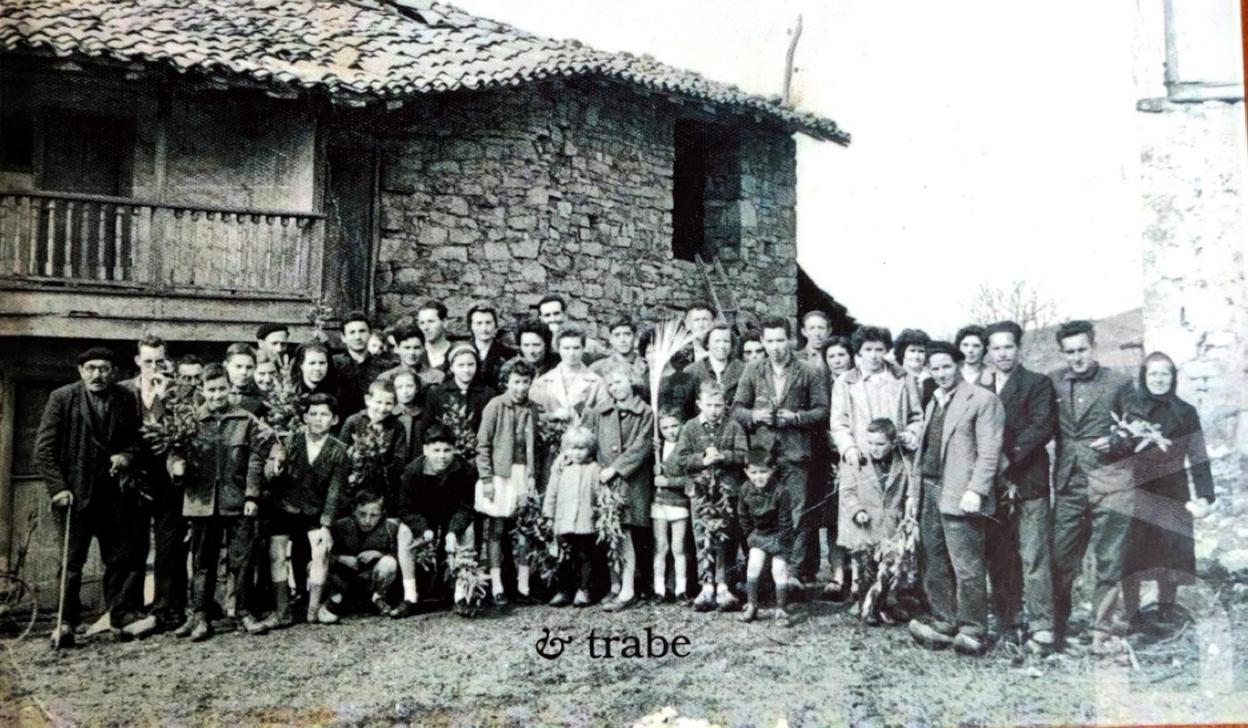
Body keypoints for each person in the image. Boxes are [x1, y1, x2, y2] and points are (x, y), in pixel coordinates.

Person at [37, 347, 146, 645]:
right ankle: (65, 623)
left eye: (104, 368)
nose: (97, 374)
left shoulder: (125, 398)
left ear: (113, 372)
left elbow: (137, 439)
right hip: (74, 496)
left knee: (119, 559)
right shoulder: (62, 398)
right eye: (91, 368)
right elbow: (44, 450)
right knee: (72, 563)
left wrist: (126, 455)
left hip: (113, 497)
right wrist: (58, 488)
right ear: (80, 371)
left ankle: (117, 617)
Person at [1047, 320, 1136, 653]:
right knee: (1060, 557)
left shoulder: (1119, 382)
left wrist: (1116, 440)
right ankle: (1057, 628)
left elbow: (1138, 428)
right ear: (1062, 353)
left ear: (1093, 347)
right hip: (1069, 482)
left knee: (1109, 560)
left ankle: (1102, 631)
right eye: (1070, 352)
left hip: (1111, 482)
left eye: (1082, 349)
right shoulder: (1053, 382)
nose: (1077, 357)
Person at [1121, 352, 1216, 632]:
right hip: (1137, 489)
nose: (1159, 379)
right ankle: (1133, 616)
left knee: (1170, 551)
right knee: (1132, 553)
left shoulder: (1185, 412)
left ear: (1173, 378)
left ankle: (1166, 612)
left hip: (1173, 489)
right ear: (1144, 377)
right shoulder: (1131, 410)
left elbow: (1198, 456)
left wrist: (1205, 495)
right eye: (1153, 374)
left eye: (1165, 373)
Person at [732, 317, 829, 592]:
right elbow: (737, 408)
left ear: (791, 340)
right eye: (770, 341)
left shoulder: (809, 371)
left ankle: (791, 574)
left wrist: (797, 418)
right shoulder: (753, 371)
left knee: (796, 511)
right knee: (763, 511)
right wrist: (754, 415)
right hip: (763, 456)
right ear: (763, 342)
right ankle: (764, 575)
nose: (776, 347)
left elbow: (823, 411)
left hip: (796, 453)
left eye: (780, 340)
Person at [173, 363, 268, 641]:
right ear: (202, 390)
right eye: (211, 389)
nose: (217, 395)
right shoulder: (190, 421)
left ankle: (244, 612)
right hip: (201, 502)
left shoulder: (245, 420)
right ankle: (200, 616)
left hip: (236, 500)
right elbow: (175, 452)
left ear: (230, 388)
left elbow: (255, 459)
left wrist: (251, 495)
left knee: (242, 559)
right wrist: (176, 467)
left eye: (222, 389)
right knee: (203, 561)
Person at [980, 320, 1058, 652]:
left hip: (1028, 481)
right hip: (992, 485)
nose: (1003, 354)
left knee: (1034, 554)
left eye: (1008, 347)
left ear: (1018, 348)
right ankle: (1007, 621)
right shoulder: (982, 387)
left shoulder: (1037, 384)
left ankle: (1042, 625)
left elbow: (1042, 427)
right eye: (996, 348)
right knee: (1000, 555)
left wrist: (1008, 458)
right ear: (988, 352)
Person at [262, 393, 349, 629]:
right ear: (304, 417)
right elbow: (269, 475)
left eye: (324, 414)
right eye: (313, 414)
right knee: (277, 553)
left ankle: (313, 610)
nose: (318, 419)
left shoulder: (338, 450)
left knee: (321, 549)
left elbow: (335, 491)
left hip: (314, 512)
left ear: (334, 419)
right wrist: (278, 465)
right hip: (284, 508)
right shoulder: (289, 441)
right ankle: (282, 612)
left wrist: (326, 525)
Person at [674, 378, 749, 611]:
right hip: (700, 492)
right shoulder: (690, 427)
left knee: (726, 537)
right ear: (699, 404)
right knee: (702, 537)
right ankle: (706, 585)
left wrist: (725, 456)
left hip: (727, 491)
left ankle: (724, 585)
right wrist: (703, 460)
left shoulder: (733, 426)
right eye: (709, 405)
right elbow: (681, 459)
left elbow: (744, 454)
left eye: (718, 405)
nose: (714, 410)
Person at [583, 368, 655, 611]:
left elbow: (641, 446)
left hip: (630, 481)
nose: (615, 388)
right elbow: (588, 439)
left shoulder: (645, 412)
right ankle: (614, 585)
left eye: (619, 381)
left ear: (631, 381)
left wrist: (615, 468)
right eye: (610, 384)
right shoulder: (601, 411)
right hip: (604, 480)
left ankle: (628, 588)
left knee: (625, 534)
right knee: (609, 532)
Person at [122, 336, 178, 634]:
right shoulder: (123, 391)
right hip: (133, 480)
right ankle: (130, 609)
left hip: (168, 480)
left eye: (159, 361)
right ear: (137, 361)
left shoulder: (176, 392)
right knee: (134, 545)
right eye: (148, 361)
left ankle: (163, 608)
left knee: (168, 549)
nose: (154, 367)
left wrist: (165, 398)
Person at [474, 359, 541, 607]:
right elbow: (482, 444)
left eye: (525, 382)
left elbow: (536, 447)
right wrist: (487, 479)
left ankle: (523, 587)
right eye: (516, 382)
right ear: (506, 382)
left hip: (523, 473)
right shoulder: (495, 405)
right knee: (496, 529)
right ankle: (497, 587)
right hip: (499, 474)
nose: (521, 387)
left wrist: (533, 476)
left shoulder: (533, 408)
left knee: (524, 529)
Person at [397, 426, 478, 616]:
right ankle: (410, 596)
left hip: (452, 516)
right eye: (436, 450)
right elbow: (406, 509)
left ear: (455, 450)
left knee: (468, 531)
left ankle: (461, 597)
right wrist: (423, 529)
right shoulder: (412, 471)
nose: (442, 456)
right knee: (404, 532)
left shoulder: (467, 471)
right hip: (424, 517)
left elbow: (466, 509)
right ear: (426, 450)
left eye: (447, 450)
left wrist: (453, 532)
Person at [839, 419, 912, 625]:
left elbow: (910, 489)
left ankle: (887, 603)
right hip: (866, 526)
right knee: (867, 568)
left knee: (891, 567)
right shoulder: (856, 462)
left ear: (892, 442)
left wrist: (907, 511)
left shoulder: (904, 462)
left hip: (891, 523)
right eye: (870, 443)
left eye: (880, 444)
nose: (874, 448)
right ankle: (866, 606)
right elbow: (847, 492)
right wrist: (857, 511)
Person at [543, 425, 602, 608]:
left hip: (585, 520)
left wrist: (599, 515)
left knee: (584, 555)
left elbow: (598, 493)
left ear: (590, 449)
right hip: (564, 519)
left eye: (582, 448)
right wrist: (549, 516)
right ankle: (564, 590)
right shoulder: (561, 468)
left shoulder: (594, 468)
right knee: (564, 556)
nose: (577, 453)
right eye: (573, 448)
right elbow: (552, 492)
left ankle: (583, 590)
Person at [736, 447, 794, 627]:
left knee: (779, 568)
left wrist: (781, 543)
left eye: (763, 472)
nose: (758, 477)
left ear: (772, 470)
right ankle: (752, 605)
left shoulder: (781, 492)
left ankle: (781, 608)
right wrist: (750, 535)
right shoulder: (745, 489)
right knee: (754, 564)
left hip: (779, 535)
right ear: (746, 472)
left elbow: (785, 521)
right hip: (759, 534)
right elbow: (743, 515)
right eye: (753, 472)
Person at [327, 489, 402, 618]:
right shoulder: (340, 526)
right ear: (354, 511)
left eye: (374, 515)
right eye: (362, 514)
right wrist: (340, 558)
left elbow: (402, 557)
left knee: (389, 562)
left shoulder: (390, 529)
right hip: (344, 579)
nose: (367, 520)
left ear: (382, 514)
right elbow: (324, 554)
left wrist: (379, 554)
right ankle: (334, 602)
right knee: (314, 567)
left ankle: (378, 598)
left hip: (371, 580)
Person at [421, 344, 496, 462]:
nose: (466, 370)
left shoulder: (488, 394)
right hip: (445, 456)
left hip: (478, 456)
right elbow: (427, 426)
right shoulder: (438, 393)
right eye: (461, 365)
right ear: (452, 367)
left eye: (471, 364)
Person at [340, 379, 409, 505]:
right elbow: (340, 452)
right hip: (353, 483)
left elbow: (400, 459)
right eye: (378, 402)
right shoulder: (353, 421)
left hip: (383, 484)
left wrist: (380, 467)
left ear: (395, 404)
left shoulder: (397, 426)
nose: (383, 408)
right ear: (368, 400)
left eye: (388, 403)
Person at [530, 326, 610, 423]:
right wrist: (552, 416)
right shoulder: (543, 382)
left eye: (576, 348)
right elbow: (532, 416)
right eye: (566, 348)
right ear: (558, 349)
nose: (571, 353)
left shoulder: (597, 382)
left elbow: (604, 418)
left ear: (583, 348)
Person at [652, 408, 690, 603]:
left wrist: (668, 482)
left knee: (678, 547)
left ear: (682, 425)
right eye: (665, 428)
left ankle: (681, 590)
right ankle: (659, 590)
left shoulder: (686, 447)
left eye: (674, 426)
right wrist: (654, 466)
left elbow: (690, 479)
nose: (670, 431)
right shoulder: (656, 449)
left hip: (678, 502)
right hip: (659, 503)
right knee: (661, 546)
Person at [334, 312, 397, 419]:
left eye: (362, 331)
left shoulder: (385, 367)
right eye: (352, 332)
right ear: (343, 337)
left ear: (370, 334)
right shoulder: (333, 364)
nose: (358, 337)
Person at [686, 323, 745, 405]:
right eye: (717, 341)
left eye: (726, 341)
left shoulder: (743, 370)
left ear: (732, 344)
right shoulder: (691, 372)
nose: (722, 346)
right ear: (707, 343)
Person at [467, 301, 517, 390]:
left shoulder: (508, 353)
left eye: (488, 322)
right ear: (471, 326)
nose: (484, 328)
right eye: (479, 323)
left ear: (495, 325)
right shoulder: (463, 350)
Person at [590, 316, 647, 384]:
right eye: (617, 335)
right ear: (611, 339)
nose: (622, 340)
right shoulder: (598, 368)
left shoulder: (648, 366)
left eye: (627, 334)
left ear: (635, 337)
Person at [893, 328, 934, 408]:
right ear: (902, 352)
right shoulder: (893, 378)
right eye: (912, 351)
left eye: (921, 351)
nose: (916, 356)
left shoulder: (932, 381)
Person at [417, 300, 456, 381]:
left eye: (430, 321)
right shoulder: (416, 353)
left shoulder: (456, 352)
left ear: (444, 323)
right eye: (422, 323)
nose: (426, 327)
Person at [392, 369, 425, 465]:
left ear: (417, 389)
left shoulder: (424, 415)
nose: (405, 391)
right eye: (399, 387)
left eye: (409, 386)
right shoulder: (390, 416)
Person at [224, 343, 266, 417]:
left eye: (249, 367)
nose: (244, 372)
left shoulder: (260, 399)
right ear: (226, 366)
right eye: (238, 366)